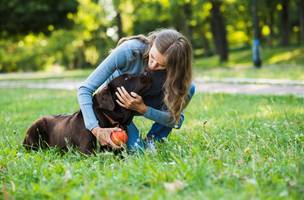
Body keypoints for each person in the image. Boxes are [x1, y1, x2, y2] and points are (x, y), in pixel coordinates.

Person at [77, 28, 195, 152]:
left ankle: (153, 141)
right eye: (153, 57)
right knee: (138, 151)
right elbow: (85, 89)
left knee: (189, 88)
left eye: (162, 65)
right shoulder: (130, 51)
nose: (153, 65)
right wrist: (95, 129)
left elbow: (176, 121)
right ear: (153, 43)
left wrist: (143, 109)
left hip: (144, 105)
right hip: (118, 109)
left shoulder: (181, 81)